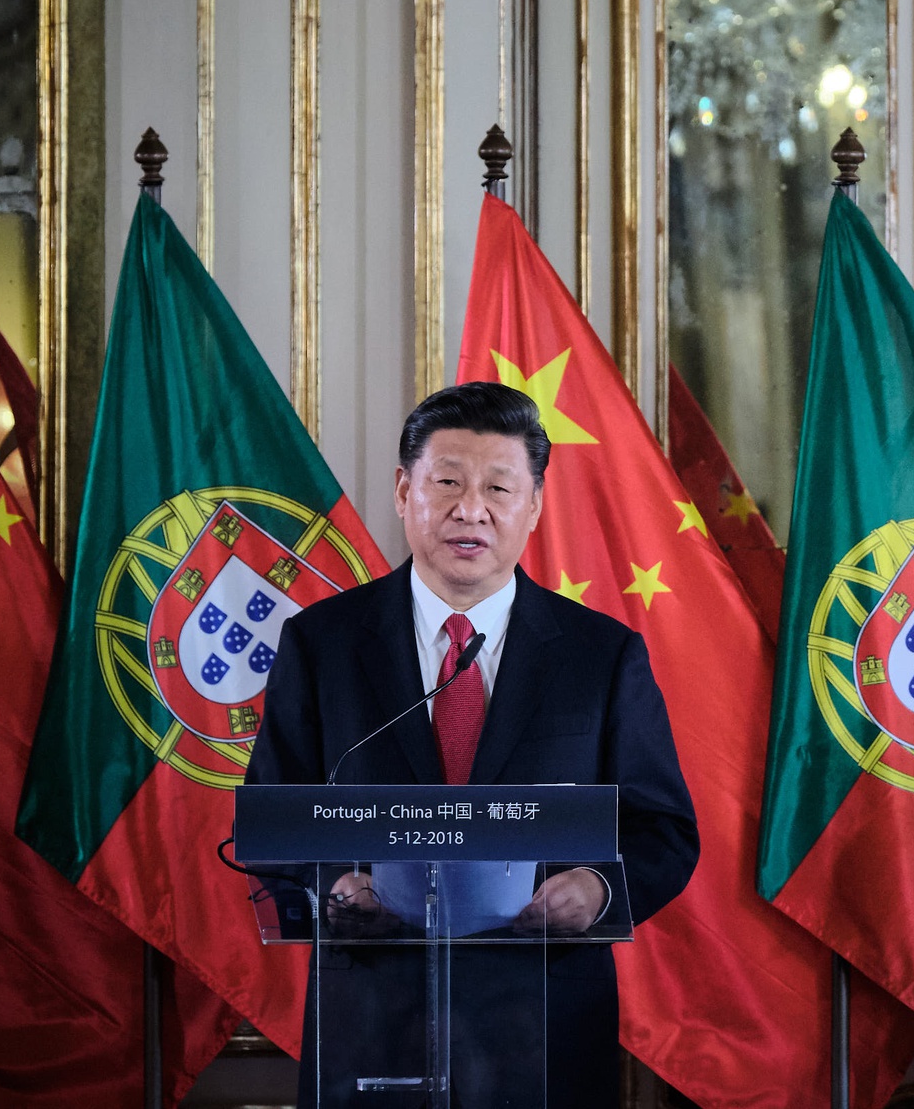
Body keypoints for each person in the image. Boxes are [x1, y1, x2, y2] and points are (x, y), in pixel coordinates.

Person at [247, 381, 699, 1106]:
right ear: (403, 490)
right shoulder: (321, 644)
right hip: (371, 1018)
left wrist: (598, 886)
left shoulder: (601, 654)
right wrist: (331, 883)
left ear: (535, 505)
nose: (471, 509)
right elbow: (273, 817)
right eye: (447, 482)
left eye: (497, 486)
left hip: (544, 1020)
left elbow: (665, 829)